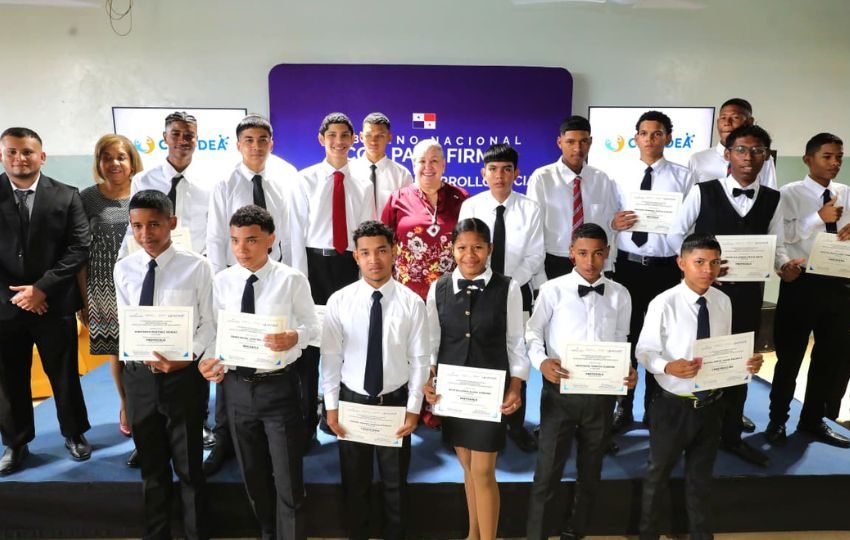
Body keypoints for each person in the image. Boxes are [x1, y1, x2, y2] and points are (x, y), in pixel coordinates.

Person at [669, 124, 797, 467]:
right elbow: (676, 236)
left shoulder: (774, 198)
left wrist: (784, 266)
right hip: (703, 295)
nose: (748, 157)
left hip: (746, 298)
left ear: (766, 157)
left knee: (738, 365)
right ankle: (690, 433)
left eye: (757, 151)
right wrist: (699, 267)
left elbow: (778, 247)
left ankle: (730, 436)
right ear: (727, 153)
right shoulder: (702, 191)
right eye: (741, 150)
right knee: (697, 359)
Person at [199, 205, 318, 540]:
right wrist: (209, 363)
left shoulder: (291, 280)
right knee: (252, 476)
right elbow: (213, 334)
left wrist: (295, 336)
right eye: (235, 240)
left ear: (271, 239)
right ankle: (267, 532)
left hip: (278, 388)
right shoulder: (221, 282)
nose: (241, 249)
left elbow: (311, 326)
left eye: (251, 240)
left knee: (288, 479)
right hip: (236, 389)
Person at [636, 233, 763, 540]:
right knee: (657, 476)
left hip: (711, 404)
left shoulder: (723, 301)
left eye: (715, 262)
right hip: (673, 405)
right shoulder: (663, 303)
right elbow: (644, 350)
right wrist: (667, 366)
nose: (708, 269)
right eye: (700, 262)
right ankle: (648, 535)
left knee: (701, 479)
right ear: (682, 263)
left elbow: (724, 351)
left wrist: (746, 362)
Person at [113, 189, 214, 539]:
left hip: (183, 378)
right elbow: (127, 323)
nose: (145, 235)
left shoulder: (197, 267)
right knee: (152, 469)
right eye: (137, 226)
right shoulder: (124, 269)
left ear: (172, 223)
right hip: (140, 379)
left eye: (154, 225)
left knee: (189, 469)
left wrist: (186, 357)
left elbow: (209, 324)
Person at [525, 223, 636, 540]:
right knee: (547, 472)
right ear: (571, 253)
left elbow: (620, 339)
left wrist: (626, 370)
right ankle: (537, 534)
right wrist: (542, 362)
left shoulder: (620, 295)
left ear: (607, 254)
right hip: (559, 394)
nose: (590, 261)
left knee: (591, 471)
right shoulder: (552, 290)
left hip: (602, 397)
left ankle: (577, 531)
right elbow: (532, 334)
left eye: (598, 253)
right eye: (583, 253)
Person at [204, 113, 300, 474]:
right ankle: (224, 439)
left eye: (262, 139)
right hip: (234, 283)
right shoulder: (225, 182)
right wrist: (218, 284)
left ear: (271, 143)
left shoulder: (286, 177)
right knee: (231, 362)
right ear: (238, 144)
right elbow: (215, 236)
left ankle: (287, 436)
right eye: (249, 140)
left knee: (274, 356)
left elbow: (292, 235)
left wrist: (292, 279)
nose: (256, 146)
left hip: (274, 282)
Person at [322, 221, 429, 540]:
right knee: (354, 484)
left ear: (394, 252)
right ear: (355, 257)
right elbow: (330, 359)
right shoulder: (339, 301)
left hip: (394, 404)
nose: (374, 259)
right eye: (365, 252)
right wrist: (331, 407)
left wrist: (413, 408)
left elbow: (420, 359)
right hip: (352, 402)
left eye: (382, 250)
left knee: (396, 485)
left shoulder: (412, 303)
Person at [423, 218, 529, 540]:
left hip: (489, 393)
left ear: (490, 249)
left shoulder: (508, 287)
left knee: (483, 471)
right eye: (462, 247)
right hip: (453, 393)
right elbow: (432, 342)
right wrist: (430, 378)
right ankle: (473, 533)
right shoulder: (438, 288)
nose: (470, 255)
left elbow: (516, 342)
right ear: (452, 249)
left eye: (478, 247)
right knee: (468, 468)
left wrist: (516, 385)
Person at [0, 127, 91, 476]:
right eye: (12, 152)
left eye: (26, 152)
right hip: (5, 307)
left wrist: (41, 290)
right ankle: (16, 442)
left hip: (54, 303)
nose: (19, 158)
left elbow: (79, 247)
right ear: (3, 155)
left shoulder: (67, 196)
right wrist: (21, 296)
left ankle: (74, 433)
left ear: (42, 156)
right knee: (9, 378)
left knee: (65, 374)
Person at [289, 112, 374, 445]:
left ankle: (338, 415)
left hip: (348, 267)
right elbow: (295, 233)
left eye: (345, 135)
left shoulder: (363, 181)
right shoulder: (305, 179)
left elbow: (366, 232)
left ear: (354, 140)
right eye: (332, 135)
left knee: (346, 345)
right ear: (321, 139)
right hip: (314, 266)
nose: (339, 141)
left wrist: (365, 275)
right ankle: (306, 422)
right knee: (310, 348)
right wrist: (300, 281)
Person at [610, 110, 695, 432]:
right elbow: (609, 216)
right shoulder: (618, 174)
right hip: (629, 267)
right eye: (644, 133)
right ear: (636, 138)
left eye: (657, 133)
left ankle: (655, 407)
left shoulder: (684, 177)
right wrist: (613, 223)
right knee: (628, 337)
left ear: (668, 138)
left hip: (666, 270)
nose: (650, 139)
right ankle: (624, 406)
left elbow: (691, 225)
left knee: (662, 338)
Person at [767, 132, 850, 448]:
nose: (835, 163)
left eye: (839, 157)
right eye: (827, 156)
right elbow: (780, 237)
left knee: (829, 358)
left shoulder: (846, 192)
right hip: (801, 282)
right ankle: (777, 421)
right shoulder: (789, 193)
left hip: (839, 283)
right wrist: (818, 218)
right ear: (808, 159)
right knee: (789, 358)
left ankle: (813, 420)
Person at [459, 143, 543, 452]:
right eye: (493, 169)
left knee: (514, 354)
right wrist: (486, 283)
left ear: (516, 174)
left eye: (507, 169)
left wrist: (506, 286)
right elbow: (466, 251)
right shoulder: (471, 207)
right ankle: (480, 416)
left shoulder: (530, 209)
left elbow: (535, 256)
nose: (500, 176)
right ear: (483, 173)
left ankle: (516, 424)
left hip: (515, 291)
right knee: (479, 351)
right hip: (477, 292)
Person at [78, 134, 142, 449]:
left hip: (144, 282)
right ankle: (126, 404)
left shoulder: (147, 192)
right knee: (117, 349)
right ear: (99, 162)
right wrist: (83, 298)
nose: (114, 163)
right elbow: (79, 251)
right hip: (103, 284)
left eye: (121, 157)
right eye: (106, 157)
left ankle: (149, 406)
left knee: (147, 346)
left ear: (132, 162)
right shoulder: (87, 198)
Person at [526, 115, 620, 280]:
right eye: (570, 142)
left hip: (592, 262)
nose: (577, 148)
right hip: (555, 261)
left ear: (590, 142)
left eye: (583, 141)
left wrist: (608, 264)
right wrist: (538, 276)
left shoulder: (601, 179)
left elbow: (608, 226)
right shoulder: (542, 178)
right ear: (559, 142)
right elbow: (534, 229)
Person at [382, 139, 468, 300]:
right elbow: (383, 243)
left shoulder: (461, 197)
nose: (428, 166)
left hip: (450, 292)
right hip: (405, 294)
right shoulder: (398, 198)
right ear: (413, 164)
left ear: (443, 164)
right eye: (422, 161)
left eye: (434, 161)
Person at [121, 111, 211, 255]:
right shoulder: (143, 181)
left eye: (189, 136)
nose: (182, 141)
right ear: (165, 137)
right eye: (175, 134)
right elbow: (133, 225)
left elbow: (214, 230)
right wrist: (122, 259)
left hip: (195, 264)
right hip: (154, 263)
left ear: (196, 139)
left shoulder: (210, 183)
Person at [688, 98, 777, 189]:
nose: (727, 123)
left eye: (735, 117)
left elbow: (770, 194)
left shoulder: (760, 158)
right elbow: (691, 195)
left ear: (749, 122)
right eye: (723, 118)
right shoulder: (698, 159)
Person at [350, 112, 413, 216]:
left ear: (389, 137)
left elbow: (406, 214)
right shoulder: (349, 171)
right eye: (368, 135)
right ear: (361, 137)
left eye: (380, 136)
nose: (373, 141)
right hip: (355, 232)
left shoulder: (402, 175)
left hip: (390, 232)